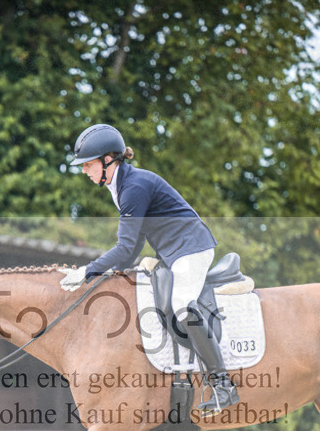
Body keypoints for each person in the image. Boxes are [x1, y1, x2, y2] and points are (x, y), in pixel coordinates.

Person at [61, 123, 240, 412]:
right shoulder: (119, 184)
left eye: (88, 164)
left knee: (183, 305)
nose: (84, 170)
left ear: (109, 159)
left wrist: (88, 270)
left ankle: (223, 386)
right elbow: (131, 248)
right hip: (172, 250)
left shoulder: (132, 187)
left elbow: (125, 248)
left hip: (191, 248)